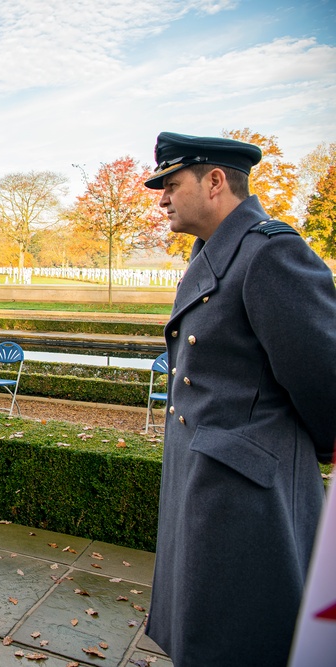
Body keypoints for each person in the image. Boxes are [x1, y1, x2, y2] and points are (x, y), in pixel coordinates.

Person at [142, 132, 336, 666]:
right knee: (209, 631)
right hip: (207, 473)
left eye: (171, 185)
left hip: (246, 489)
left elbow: (325, 375)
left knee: (241, 635)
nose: (161, 199)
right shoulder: (217, 249)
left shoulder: (271, 252)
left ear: (215, 181)